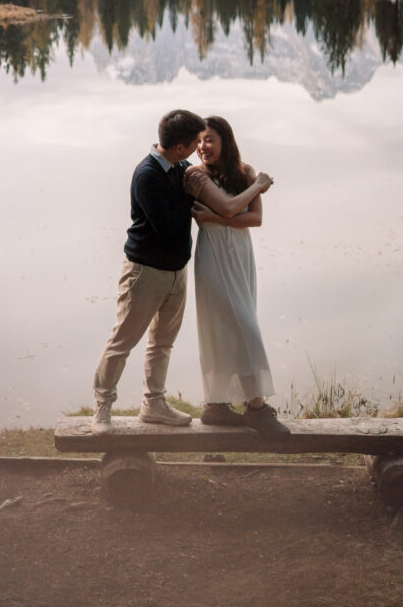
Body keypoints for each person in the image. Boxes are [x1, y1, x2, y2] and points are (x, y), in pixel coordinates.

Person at [91, 109, 207, 435]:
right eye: (196, 142)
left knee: (162, 343)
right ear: (181, 146)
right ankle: (102, 407)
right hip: (145, 273)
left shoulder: (180, 167)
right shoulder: (147, 175)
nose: (199, 148)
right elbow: (168, 226)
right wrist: (191, 195)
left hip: (175, 272)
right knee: (122, 342)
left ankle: (153, 404)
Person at [184, 116, 288, 436]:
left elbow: (254, 219)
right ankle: (256, 408)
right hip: (214, 256)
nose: (203, 147)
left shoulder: (244, 171)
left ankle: (216, 407)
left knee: (238, 323)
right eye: (199, 141)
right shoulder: (194, 175)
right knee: (240, 327)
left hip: (241, 255)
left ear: (225, 140)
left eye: (210, 139)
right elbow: (231, 208)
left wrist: (217, 217)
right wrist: (257, 187)